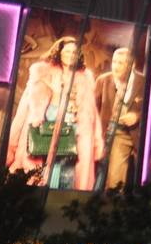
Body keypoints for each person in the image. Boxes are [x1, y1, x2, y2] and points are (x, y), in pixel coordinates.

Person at [7, 35, 103, 190]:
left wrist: (97, 141)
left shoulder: (84, 78)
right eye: (67, 51)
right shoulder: (42, 73)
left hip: (72, 125)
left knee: (67, 165)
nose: (71, 55)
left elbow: (92, 113)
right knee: (39, 164)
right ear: (59, 52)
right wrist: (13, 141)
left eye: (74, 52)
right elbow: (25, 107)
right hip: (46, 122)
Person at [93, 45, 141, 190]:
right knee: (107, 177)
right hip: (108, 131)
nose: (115, 66)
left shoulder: (143, 81)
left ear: (131, 65)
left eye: (121, 63)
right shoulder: (104, 80)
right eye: (114, 61)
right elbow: (93, 108)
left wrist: (137, 116)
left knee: (121, 178)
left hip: (131, 133)